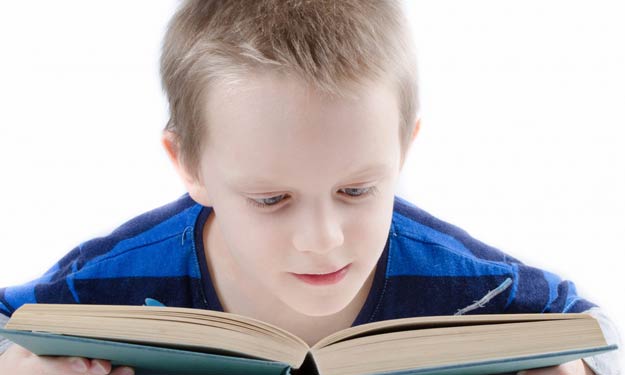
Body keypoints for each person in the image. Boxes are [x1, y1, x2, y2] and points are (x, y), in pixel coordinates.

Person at [0, 0, 620, 374]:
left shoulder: (470, 283)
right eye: (271, 200)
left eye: (358, 190)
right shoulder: (111, 278)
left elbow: (589, 329)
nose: (323, 241)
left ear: (402, 147)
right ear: (186, 163)